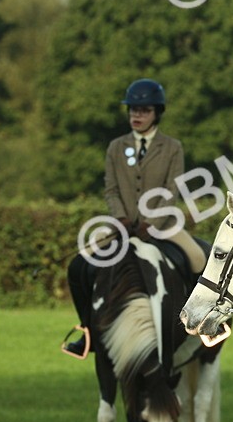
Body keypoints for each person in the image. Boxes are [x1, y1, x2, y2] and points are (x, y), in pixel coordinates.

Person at [63, 78, 208, 358]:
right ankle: (87, 329)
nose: (136, 116)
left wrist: (150, 223)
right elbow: (111, 189)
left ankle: (200, 323)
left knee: (198, 259)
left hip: (162, 226)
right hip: (122, 227)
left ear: (157, 113)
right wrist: (120, 218)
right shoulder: (116, 147)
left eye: (143, 111)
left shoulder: (172, 147)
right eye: (133, 110)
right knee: (78, 265)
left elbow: (171, 190)